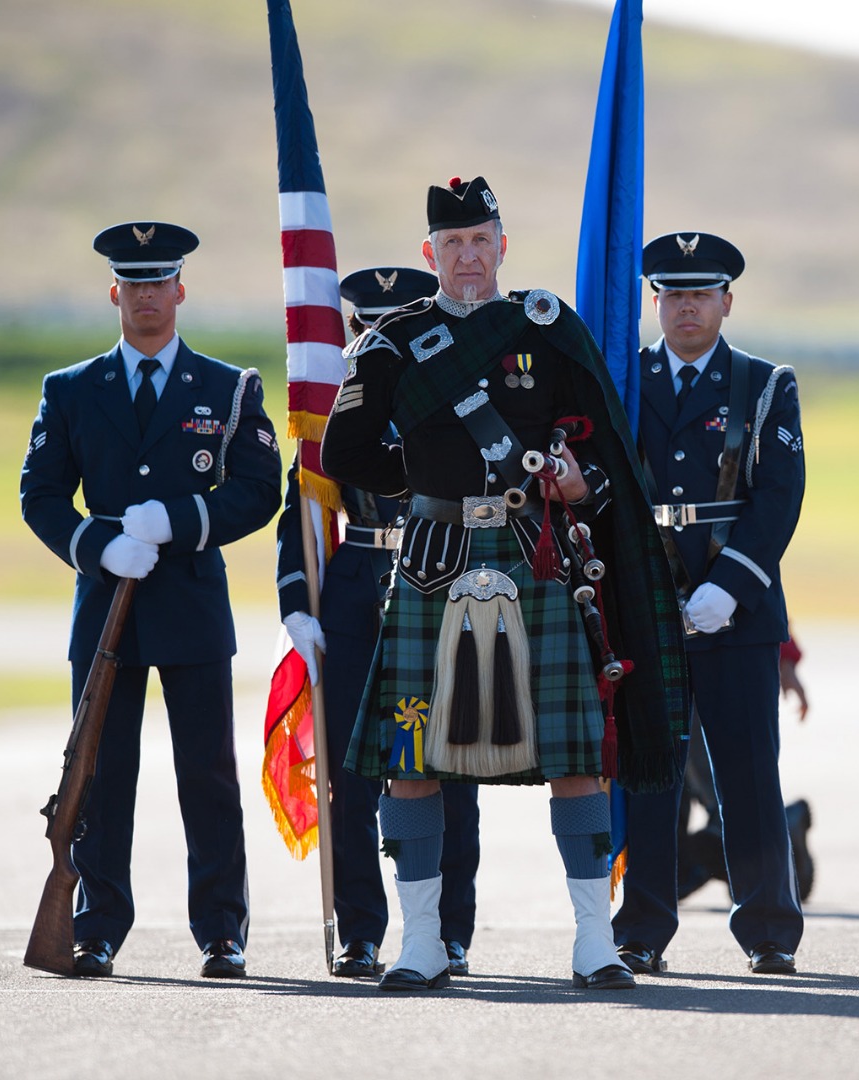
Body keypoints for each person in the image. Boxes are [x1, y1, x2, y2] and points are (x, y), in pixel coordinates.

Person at [318, 176, 688, 992]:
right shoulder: (390, 342)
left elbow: (604, 440)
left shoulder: (544, 328)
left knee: (573, 749)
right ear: (430, 254)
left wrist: (576, 481)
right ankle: (421, 943)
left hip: (535, 548)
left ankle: (594, 940)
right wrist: (419, 474)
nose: (468, 257)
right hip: (432, 551)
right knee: (411, 752)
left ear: (502, 246)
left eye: (481, 240)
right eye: (452, 245)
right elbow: (342, 453)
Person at [20, 221, 282, 978]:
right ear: (114, 293)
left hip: (192, 606)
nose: (145, 297)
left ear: (180, 290)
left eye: (157, 282)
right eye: (132, 284)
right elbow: (39, 496)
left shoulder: (229, 388)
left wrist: (182, 520)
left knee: (208, 773)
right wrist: (94, 544)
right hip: (106, 611)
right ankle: (97, 925)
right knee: (101, 773)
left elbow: (259, 490)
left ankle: (222, 930)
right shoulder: (69, 391)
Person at [275, 265, 482, 979]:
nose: (378, 335)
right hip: (358, 579)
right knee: (352, 768)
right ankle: (360, 929)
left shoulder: (452, 394)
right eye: (366, 325)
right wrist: (297, 605)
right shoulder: (340, 401)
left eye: (393, 322)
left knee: (453, 757)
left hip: (440, 571)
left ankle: (451, 929)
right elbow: (298, 511)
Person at [611, 232, 806, 977]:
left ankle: (768, 930)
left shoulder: (762, 384)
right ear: (654, 300)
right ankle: (643, 928)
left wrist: (731, 586)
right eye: (672, 293)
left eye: (702, 293)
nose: (687, 306)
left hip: (738, 604)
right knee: (650, 773)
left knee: (748, 772)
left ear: (728, 300)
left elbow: (778, 494)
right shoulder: (622, 380)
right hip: (648, 600)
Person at [676, 634, 813, 904]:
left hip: (715, 654)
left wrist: (784, 657)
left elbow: (751, 592)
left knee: (710, 769)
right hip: (658, 655)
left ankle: (744, 846)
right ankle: (691, 859)